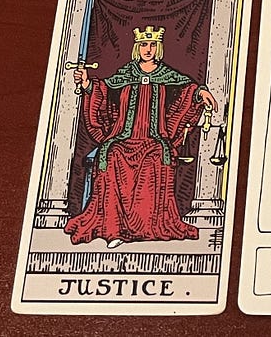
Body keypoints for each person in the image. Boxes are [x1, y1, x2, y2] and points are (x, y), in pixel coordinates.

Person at [65, 27, 217, 247]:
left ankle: (144, 226)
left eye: (153, 45)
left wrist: (200, 92)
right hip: (124, 138)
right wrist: (87, 84)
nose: (148, 49)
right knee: (113, 155)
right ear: (137, 47)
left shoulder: (166, 74)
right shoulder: (127, 73)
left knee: (157, 157)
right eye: (144, 45)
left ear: (159, 48)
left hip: (153, 138)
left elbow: (188, 89)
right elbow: (102, 91)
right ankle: (115, 229)